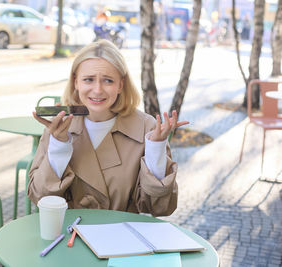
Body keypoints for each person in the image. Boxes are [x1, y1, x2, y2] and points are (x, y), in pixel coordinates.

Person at [28, 39, 189, 216]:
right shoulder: (59, 127)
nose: (97, 90)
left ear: (121, 85)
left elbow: (160, 208)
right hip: (69, 236)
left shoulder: (147, 128)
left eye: (108, 81)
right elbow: (40, 197)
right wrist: (59, 145)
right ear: (76, 82)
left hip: (123, 237)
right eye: (88, 80)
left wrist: (156, 150)